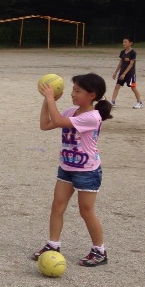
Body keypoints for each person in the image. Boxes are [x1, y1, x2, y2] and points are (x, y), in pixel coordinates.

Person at [32, 73, 113, 267]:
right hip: (67, 167)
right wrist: (47, 101)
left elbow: (58, 121)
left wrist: (51, 99)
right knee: (57, 206)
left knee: (86, 211)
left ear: (92, 95)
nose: (73, 94)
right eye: (73, 90)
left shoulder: (92, 117)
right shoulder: (71, 111)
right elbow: (45, 125)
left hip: (87, 170)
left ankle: (99, 250)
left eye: (78, 91)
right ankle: (53, 245)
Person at [111, 36, 143, 109]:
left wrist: (124, 74)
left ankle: (139, 102)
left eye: (125, 42)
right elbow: (120, 63)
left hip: (130, 74)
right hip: (122, 73)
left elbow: (131, 64)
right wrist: (115, 72)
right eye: (123, 42)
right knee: (117, 86)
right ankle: (113, 102)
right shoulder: (122, 52)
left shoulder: (133, 53)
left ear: (130, 43)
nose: (124, 43)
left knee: (133, 88)